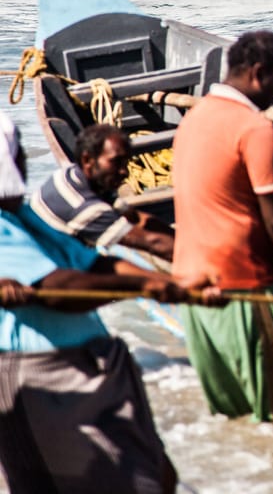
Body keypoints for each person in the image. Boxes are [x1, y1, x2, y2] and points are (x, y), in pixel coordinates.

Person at [0, 111, 221, 493]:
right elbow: (59, 289)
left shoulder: (20, 217)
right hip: (50, 377)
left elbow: (96, 262)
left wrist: (172, 282)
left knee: (155, 474)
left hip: (91, 366)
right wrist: (146, 288)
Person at [171, 30, 273, 428]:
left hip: (192, 283)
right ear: (258, 73)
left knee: (232, 416)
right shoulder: (255, 129)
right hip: (245, 286)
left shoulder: (195, 117)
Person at [30, 123, 175, 261]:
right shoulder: (86, 207)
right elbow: (154, 243)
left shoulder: (71, 174)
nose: (124, 171)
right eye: (116, 162)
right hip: (58, 270)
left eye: (125, 162)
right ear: (88, 160)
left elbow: (136, 218)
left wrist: (179, 237)